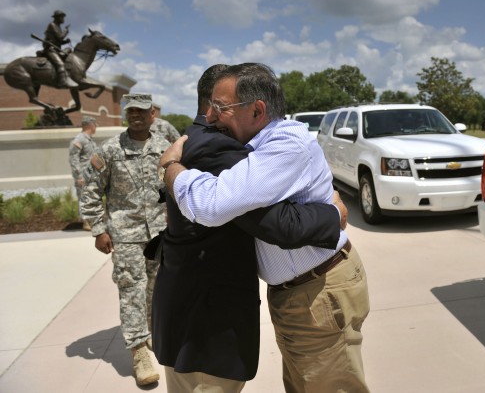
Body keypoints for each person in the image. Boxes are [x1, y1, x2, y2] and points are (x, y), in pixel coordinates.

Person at [161, 63, 370, 392]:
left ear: (257, 110)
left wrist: (172, 167)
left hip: (318, 290)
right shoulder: (251, 146)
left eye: (221, 107)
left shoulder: (284, 144)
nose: (211, 117)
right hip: (299, 293)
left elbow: (209, 205)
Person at [80, 93, 168, 386]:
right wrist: (98, 229)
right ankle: (139, 353)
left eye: (142, 112)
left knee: (155, 289)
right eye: (131, 112)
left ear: (152, 114)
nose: (137, 117)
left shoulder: (163, 148)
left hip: (159, 232)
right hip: (125, 234)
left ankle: (152, 334)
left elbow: (175, 187)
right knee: (132, 290)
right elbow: (91, 190)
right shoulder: (110, 149)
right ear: (126, 115)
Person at [68, 115, 97, 231]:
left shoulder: (89, 140)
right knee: (84, 198)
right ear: (90, 125)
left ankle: (91, 221)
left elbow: (93, 158)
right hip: (84, 176)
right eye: (95, 125)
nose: (96, 128)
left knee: (91, 198)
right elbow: (73, 159)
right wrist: (78, 176)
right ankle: (86, 222)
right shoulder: (79, 139)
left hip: (91, 175)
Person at [43, 10, 76, 88]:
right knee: (60, 64)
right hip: (50, 49)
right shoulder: (52, 25)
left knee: (69, 50)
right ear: (57, 18)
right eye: (62, 17)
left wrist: (65, 42)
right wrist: (65, 31)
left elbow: (58, 41)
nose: (63, 19)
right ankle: (62, 82)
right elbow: (60, 37)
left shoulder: (58, 26)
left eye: (63, 17)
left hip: (56, 48)